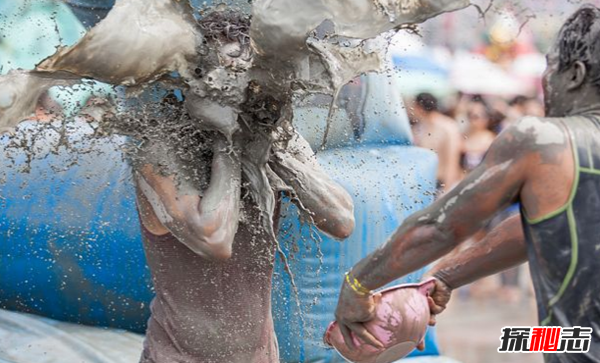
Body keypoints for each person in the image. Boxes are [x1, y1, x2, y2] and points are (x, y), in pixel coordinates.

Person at [334, 5, 600, 362]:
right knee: (526, 340)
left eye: (550, 67)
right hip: (577, 342)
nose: (545, 81)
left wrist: (357, 284)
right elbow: (541, 230)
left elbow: (439, 228)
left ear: (575, 75)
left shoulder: (546, 139)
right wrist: (445, 276)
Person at [133, 12, 355, 363]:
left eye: (249, 78)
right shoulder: (160, 147)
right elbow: (214, 239)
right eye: (225, 80)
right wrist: (229, 143)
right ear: (194, 79)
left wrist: (271, 150)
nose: (240, 91)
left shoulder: (277, 138)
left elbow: (340, 220)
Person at [410, 93, 462, 193]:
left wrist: (446, 190)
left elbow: (452, 161)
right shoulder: (420, 127)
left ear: (419, 107)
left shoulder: (448, 127)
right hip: (426, 182)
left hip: (442, 182)